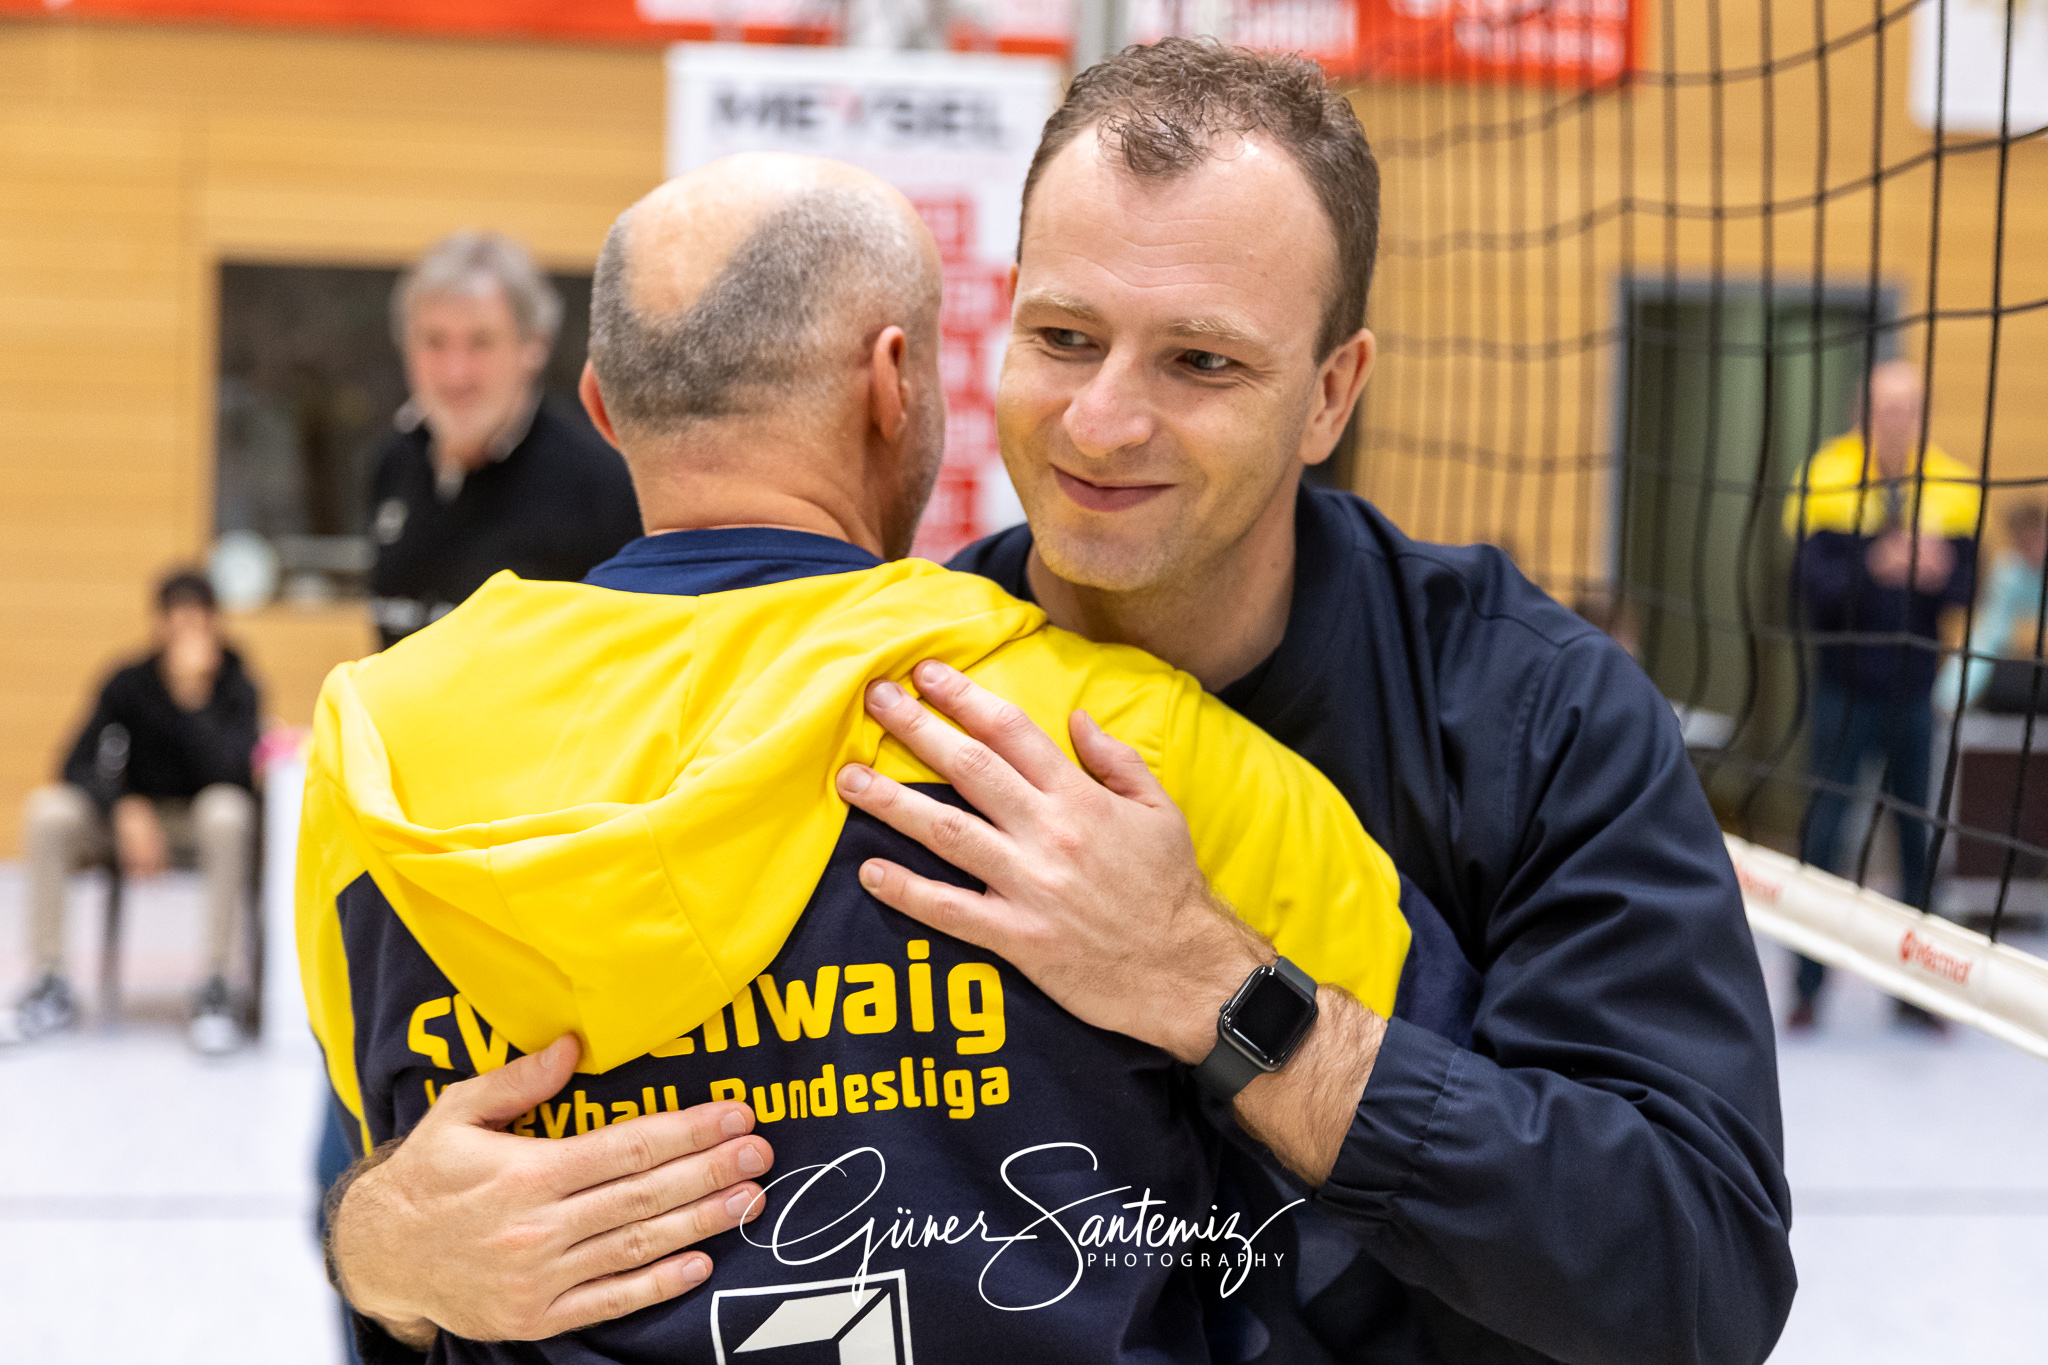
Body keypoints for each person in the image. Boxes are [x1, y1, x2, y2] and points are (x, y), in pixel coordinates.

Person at [308, 154, 1418, 1364]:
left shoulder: (374, 752)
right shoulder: (1131, 745)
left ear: (602, 406)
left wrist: (366, 1247)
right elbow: (1410, 1178)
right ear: (895, 384)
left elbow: (404, 1187)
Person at [832, 41, 1794, 1365]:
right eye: (1064, 338)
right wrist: (433, 1257)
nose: (1102, 422)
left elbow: (1699, 1281)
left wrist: (1214, 989)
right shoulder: (875, 700)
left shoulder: (1537, 715)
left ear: (1331, 393)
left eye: (1200, 363)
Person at [1784, 358, 1980, 1030]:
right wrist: (1875, 564)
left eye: (1908, 407)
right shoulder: (1825, 476)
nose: (1896, 418)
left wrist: (1939, 569)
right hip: (1844, 688)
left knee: (1916, 836)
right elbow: (1811, 588)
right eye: (1884, 406)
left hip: (1913, 690)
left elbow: (1964, 587)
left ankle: (1919, 991)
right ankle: (1807, 988)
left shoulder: (1952, 483)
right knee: (1826, 832)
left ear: (1921, 413)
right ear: (1863, 410)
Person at [5, 569, 260, 1053]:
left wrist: (194, 701)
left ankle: (217, 986)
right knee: (49, 811)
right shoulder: (129, 682)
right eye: (176, 621)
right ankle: (49, 982)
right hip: (131, 820)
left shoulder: (235, 684)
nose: (188, 633)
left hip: (197, 823)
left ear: (216, 624)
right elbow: (75, 761)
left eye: (199, 621)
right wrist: (122, 807)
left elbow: (236, 773)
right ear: (159, 625)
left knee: (227, 811)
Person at [368, 230, 641, 648]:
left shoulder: (602, 484)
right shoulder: (393, 466)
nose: (455, 373)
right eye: (434, 342)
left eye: (480, 342)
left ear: (534, 346)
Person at [1935, 498, 2046, 712]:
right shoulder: (2007, 573)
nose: (2032, 549)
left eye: (2037, 539)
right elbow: (1991, 634)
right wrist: (1951, 697)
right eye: (2024, 542)